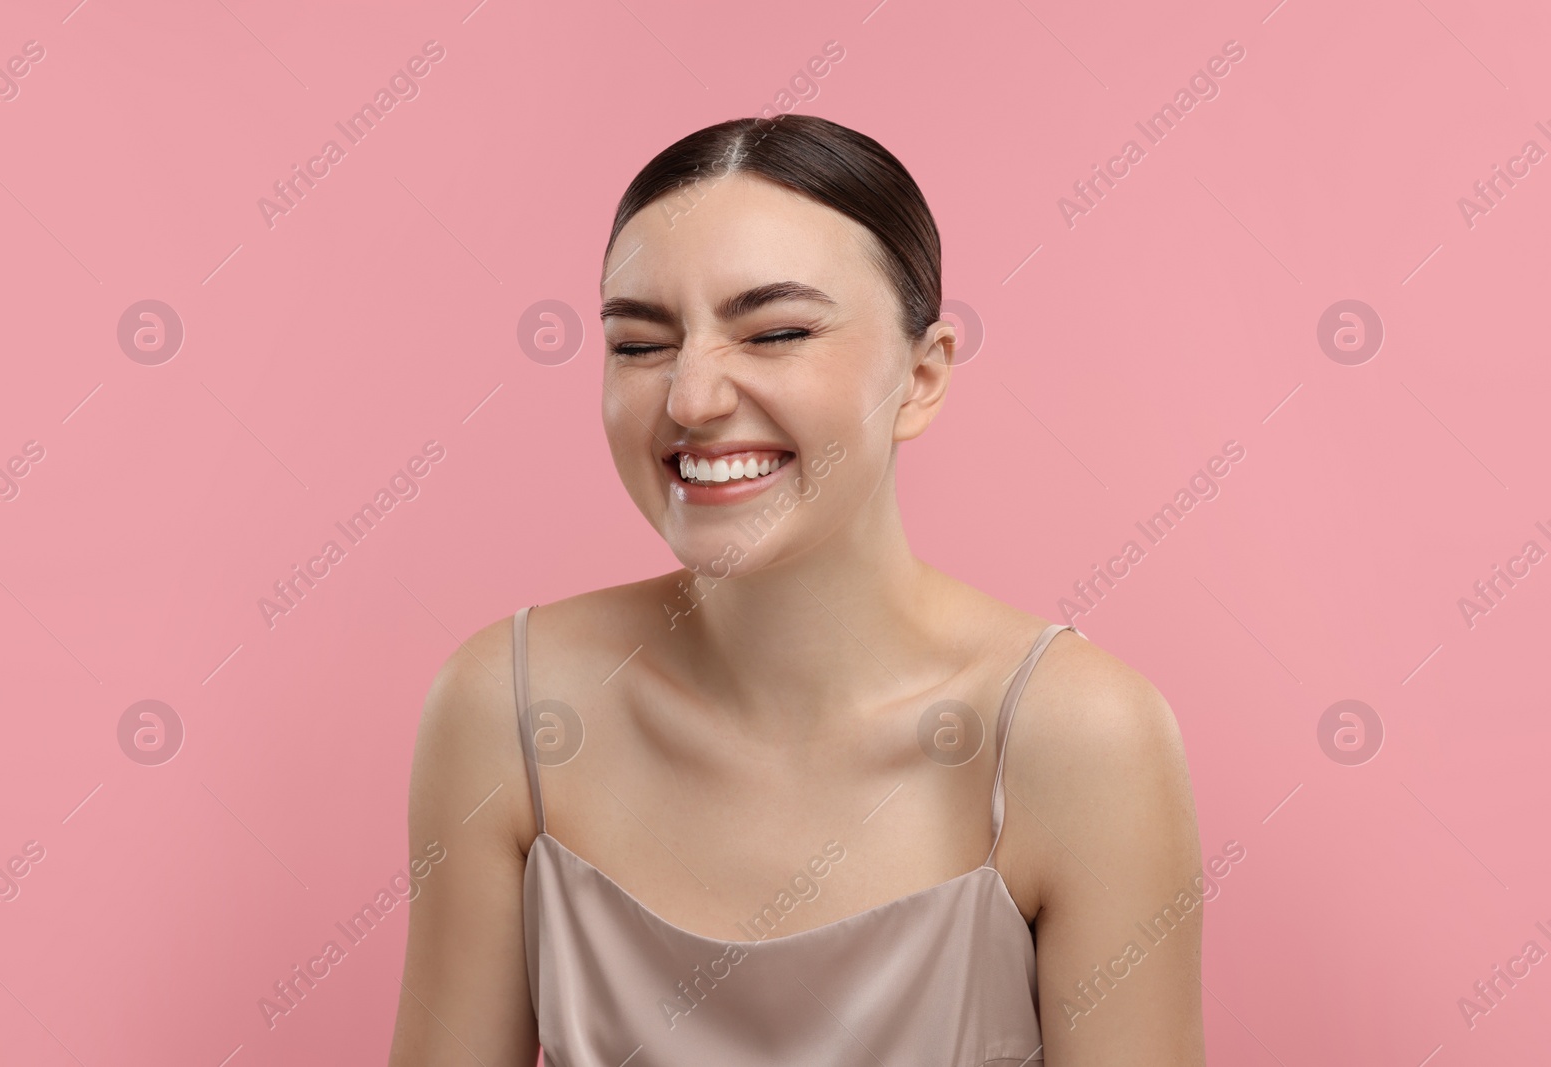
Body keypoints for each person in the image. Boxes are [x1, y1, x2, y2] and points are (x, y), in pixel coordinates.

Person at [388, 114, 1205, 1066]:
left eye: (774, 332)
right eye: (641, 343)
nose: (692, 399)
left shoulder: (1082, 735)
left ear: (924, 374)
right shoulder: (509, 707)